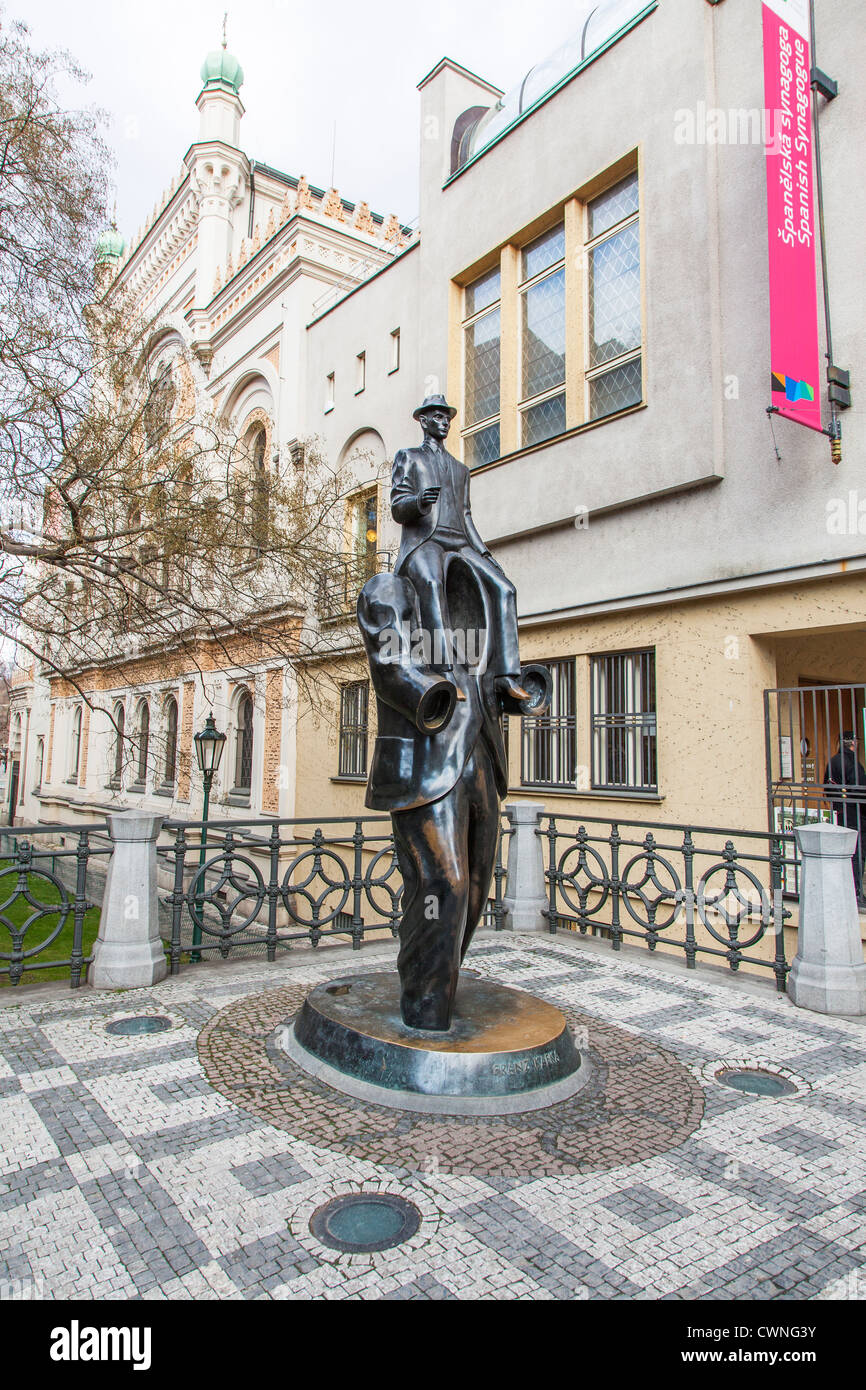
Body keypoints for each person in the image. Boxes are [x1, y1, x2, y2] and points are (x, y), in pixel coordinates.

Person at [390, 394, 528, 703]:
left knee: (505, 588)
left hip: (460, 543)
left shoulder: (460, 469)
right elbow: (398, 508)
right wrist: (418, 502)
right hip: (425, 542)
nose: (444, 422)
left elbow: (467, 517)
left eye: (447, 417)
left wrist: (486, 555)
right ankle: (446, 673)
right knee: (431, 581)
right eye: (437, 417)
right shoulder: (409, 457)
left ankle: (506, 676)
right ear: (423, 421)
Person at [823, 730, 866, 906]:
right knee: (857, 852)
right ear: (853, 743)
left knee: (843, 851)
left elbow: (827, 787)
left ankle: (845, 889)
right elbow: (861, 791)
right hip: (855, 813)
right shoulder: (853, 764)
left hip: (839, 812)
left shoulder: (832, 761)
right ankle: (856, 893)